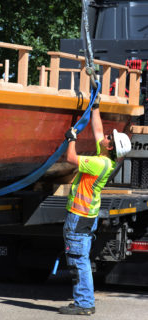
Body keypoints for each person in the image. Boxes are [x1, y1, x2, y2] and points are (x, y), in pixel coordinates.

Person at [59, 96, 131, 315]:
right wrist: (96, 106)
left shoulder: (98, 163)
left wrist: (71, 137)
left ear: (110, 147)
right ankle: (83, 300)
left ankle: (84, 303)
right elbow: (98, 130)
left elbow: (70, 157)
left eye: (109, 137)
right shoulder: (107, 158)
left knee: (78, 260)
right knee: (81, 258)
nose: (107, 135)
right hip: (87, 216)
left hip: (80, 216)